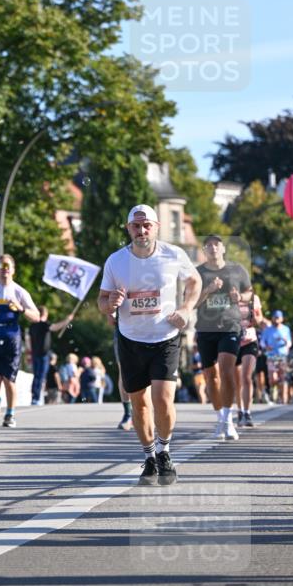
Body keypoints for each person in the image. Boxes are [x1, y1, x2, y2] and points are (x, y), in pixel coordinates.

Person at [98, 204, 201, 487]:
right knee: (139, 404)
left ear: (156, 227)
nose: (141, 231)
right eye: (136, 226)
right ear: (128, 228)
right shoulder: (116, 261)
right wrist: (110, 305)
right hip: (130, 338)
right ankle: (149, 457)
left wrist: (186, 308)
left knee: (163, 398)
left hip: (165, 336)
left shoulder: (173, 255)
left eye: (147, 226)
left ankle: (164, 451)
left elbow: (194, 280)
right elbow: (102, 301)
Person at [194, 234, 252, 442]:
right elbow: (190, 302)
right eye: (208, 245)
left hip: (230, 327)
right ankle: (220, 417)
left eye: (216, 244)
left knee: (227, 371)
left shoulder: (237, 270)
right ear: (204, 250)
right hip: (205, 329)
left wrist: (240, 298)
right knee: (211, 377)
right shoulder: (198, 272)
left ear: (223, 248)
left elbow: (249, 293)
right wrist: (208, 290)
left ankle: (228, 420)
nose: (213, 248)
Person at [0, 254, 40, 427]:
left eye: (8, 267)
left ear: (13, 270)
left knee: (9, 379)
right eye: (1, 266)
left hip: (11, 338)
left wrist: (20, 308)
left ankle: (10, 414)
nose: (5, 270)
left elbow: (36, 317)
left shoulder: (20, 291)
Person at [27, 306, 75, 405]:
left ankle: (35, 397)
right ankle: (36, 398)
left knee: (37, 376)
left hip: (35, 354)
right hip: (43, 354)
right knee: (41, 376)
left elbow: (29, 341)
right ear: (45, 314)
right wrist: (67, 320)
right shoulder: (43, 324)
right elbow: (55, 327)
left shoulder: (32, 326)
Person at [234, 291, 264, 427]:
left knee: (246, 377)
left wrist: (254, 316)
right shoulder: (230, 297)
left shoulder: (253, 299)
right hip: (233, 341)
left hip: (250, 341)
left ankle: (247, 412)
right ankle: (239, 410)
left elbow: (260, 320)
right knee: (237, 381)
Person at [259, 310, 291, 405]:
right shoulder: (267, 330)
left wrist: (285, 342)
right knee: (272, 377)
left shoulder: (286, 329)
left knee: (283, 377)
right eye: (274, 317)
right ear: (272, 318)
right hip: (271, 356)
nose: (276, 319)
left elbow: (289, 343)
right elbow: (262, 342)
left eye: (278, 317)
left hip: (282, 356)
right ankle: (274, 391)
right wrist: (266, 347)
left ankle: (283, 398)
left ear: (282, 319)